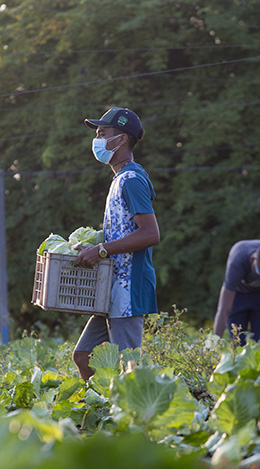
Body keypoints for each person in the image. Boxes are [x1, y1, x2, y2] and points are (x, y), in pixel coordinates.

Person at [72, 107, 160, 380]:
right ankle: (105, 411)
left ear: (121, 139)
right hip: (111, 288)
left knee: (130, 369)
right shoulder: (119, 179)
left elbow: (150, 233)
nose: (97, 139)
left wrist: (101, 250)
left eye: (102, 133)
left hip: (129, 289)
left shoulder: (132, 180)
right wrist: (90, 245)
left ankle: (132, 418)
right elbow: (122, 231)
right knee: (83, 355)